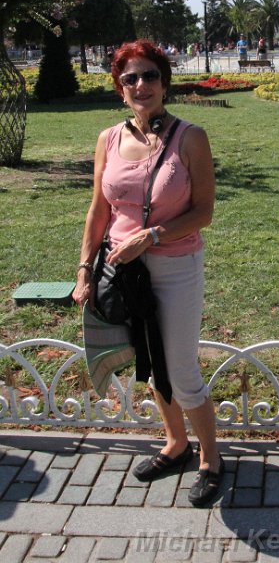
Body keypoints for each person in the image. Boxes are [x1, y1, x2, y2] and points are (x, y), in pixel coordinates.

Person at [72, 39, 223, 506]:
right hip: (123, 271)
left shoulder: (190, 137)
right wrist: (83, 268)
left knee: (180, 368)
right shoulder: (108, 139)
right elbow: (99, 208)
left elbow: (203, 212)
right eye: (130, 78)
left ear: (165, 82)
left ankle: (211, 460)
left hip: (175, 265)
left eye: (150, 75)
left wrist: (151, 236)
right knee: (150, 362)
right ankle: (175, 444)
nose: (141, 85)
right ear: (120, 89)